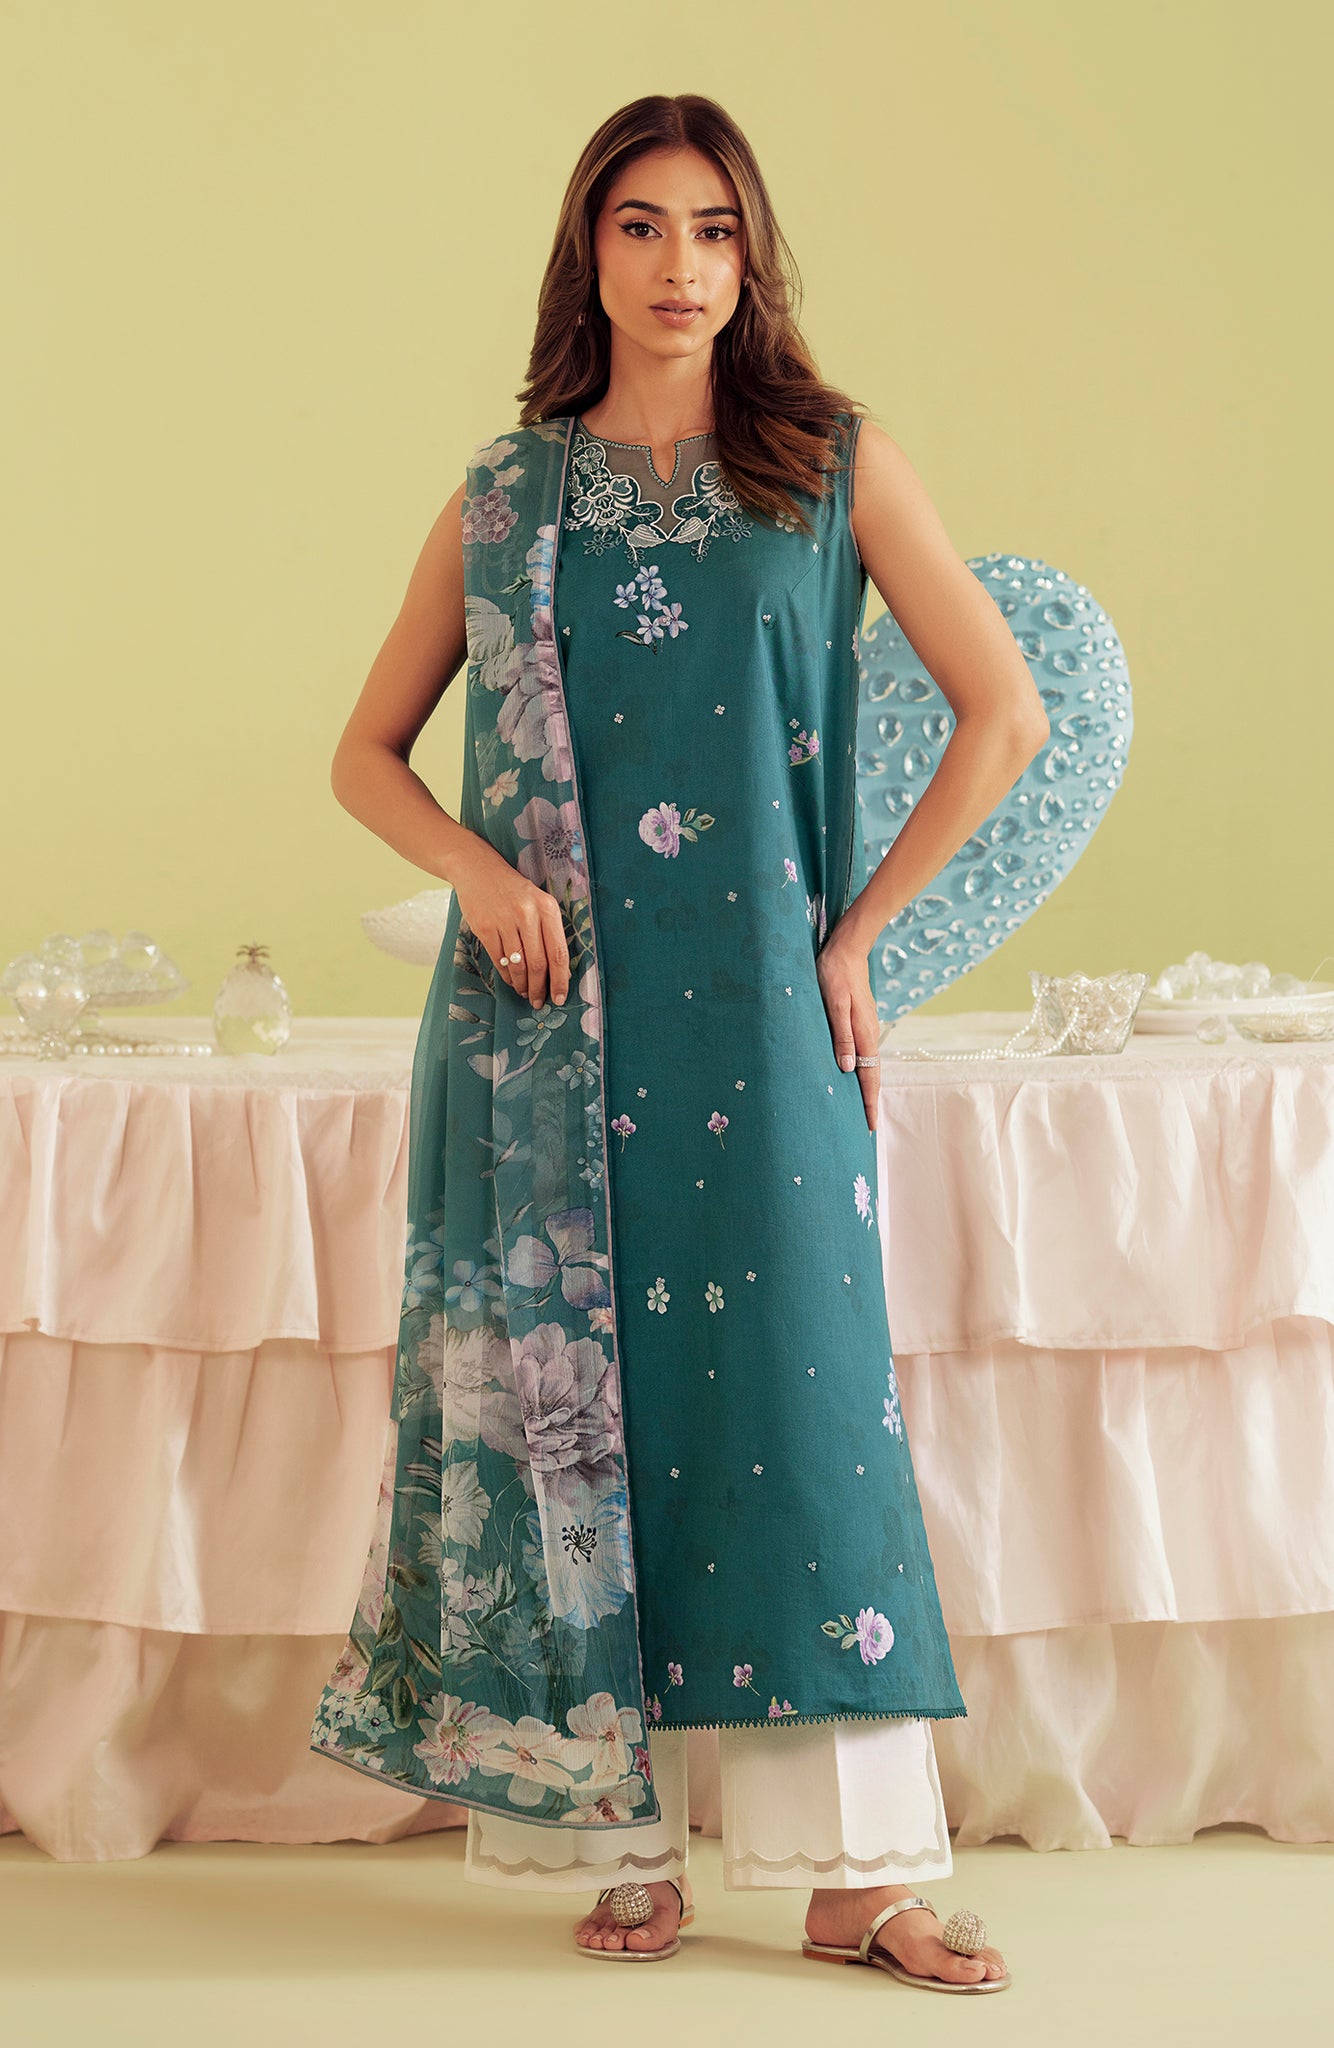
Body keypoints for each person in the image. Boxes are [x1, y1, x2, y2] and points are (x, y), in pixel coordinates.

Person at [313, 92, 1047, 1994]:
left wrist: (860, 935)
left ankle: (854, 1874)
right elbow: (364, 754)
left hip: (763, 1022)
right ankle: (608, 1837)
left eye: (713, 229)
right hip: (540, 1039)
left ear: (750, 254)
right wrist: (478, 869)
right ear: (590, 250)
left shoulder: (829, 463)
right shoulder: (507, 495)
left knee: (801, 1415)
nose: (678, 265)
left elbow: (1002, 711)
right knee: (570, 1416)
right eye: (640, 226)